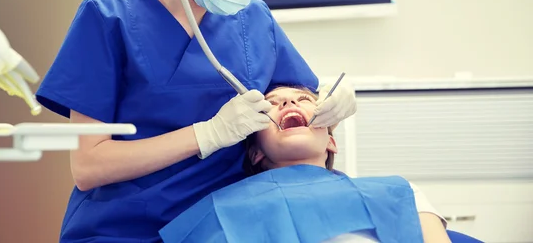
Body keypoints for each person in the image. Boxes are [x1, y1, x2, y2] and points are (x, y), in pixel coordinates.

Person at [35, 0, 357, 242]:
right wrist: (207, 135)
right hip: (123, 229)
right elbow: (89, 166)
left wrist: (335, 99)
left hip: (225, 226)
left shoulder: (254, 18)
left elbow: (294, 97)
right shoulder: (108, 16)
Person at [159, 86, 451, 243]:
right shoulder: (217, 210)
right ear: (255, 152)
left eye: (303, 99)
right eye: (272, 103)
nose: (289, 104)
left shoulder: (399, 191)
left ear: (331, 141)